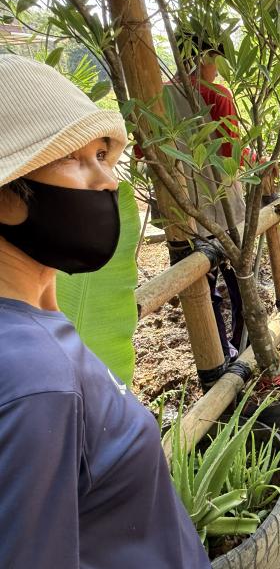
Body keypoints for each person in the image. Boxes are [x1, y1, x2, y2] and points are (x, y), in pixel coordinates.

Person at [0, 54, 210, 567]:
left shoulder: (35, 328)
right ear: (6, 196)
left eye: (104, 156)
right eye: (78, 159)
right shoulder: (36, 383)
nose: (109, 180)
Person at [161, 30, 248, 362]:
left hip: (182, 214)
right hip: (221, 207)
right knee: (239, 278)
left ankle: (218, 354)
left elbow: (145, 152)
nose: (219, 69)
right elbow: (232, 155)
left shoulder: (156, 96)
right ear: (204, 58)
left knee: (202, 287)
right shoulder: (215, 94)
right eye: (217, 60)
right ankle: (243, 350)